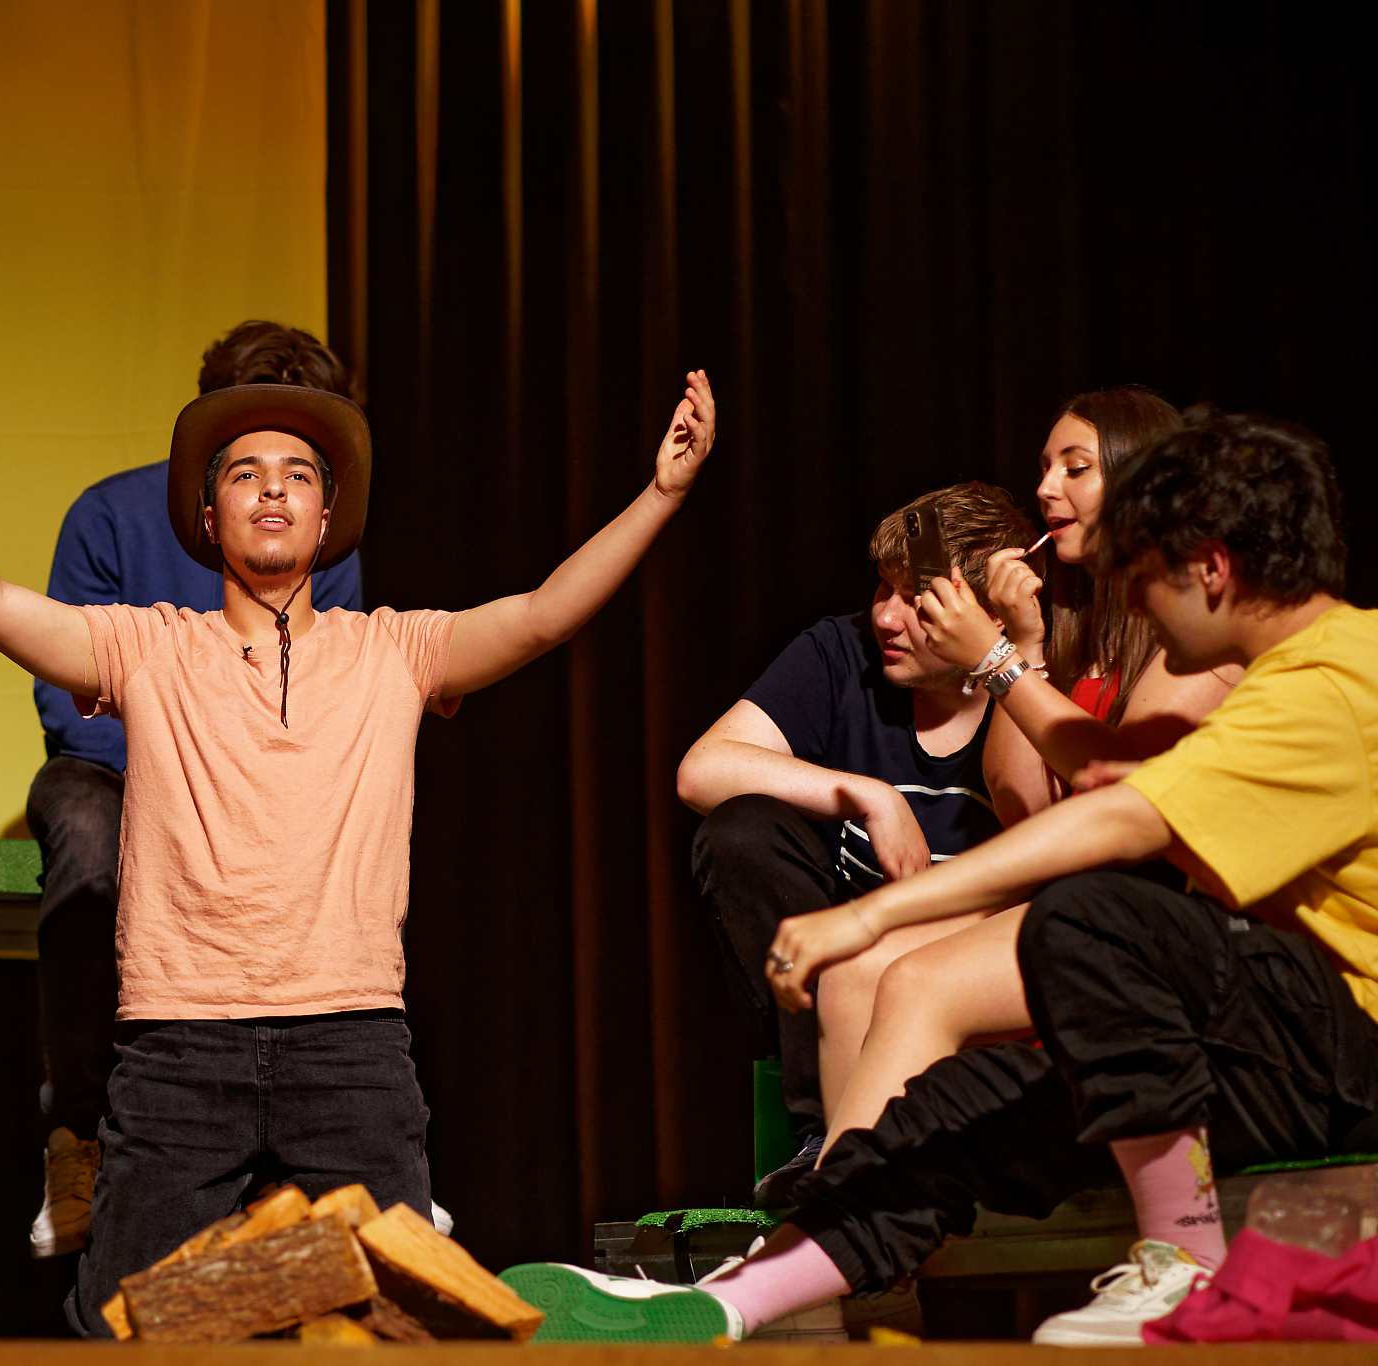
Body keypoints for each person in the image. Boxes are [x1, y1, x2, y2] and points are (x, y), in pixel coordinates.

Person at [0, 356, 716, 1335]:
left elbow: (542, 616)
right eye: (245, 474)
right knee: (118, 1329)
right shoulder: (149, 645)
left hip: (351, 1047)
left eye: (296, 475)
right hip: (177, 1049)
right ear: (209, 520)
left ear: (326, 519)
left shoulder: (395, 648)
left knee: (403, 1322)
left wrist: (661, 494)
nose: (273, 490)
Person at [513, 408, 1378, 1346]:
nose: (1133, 599)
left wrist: (870, 915)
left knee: (1089, 914)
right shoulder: (1284, 676)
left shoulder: (1340, 679)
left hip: (1343, 1047)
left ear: (1211, 568)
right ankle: (744, 1300)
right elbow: (1091, 776)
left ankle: (1186, 1263)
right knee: (955, 1114)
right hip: (1247, 1044)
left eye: (1145, 576)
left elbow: (1115, 819)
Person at [812, 387, 1242, 1154]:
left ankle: (851, 1212)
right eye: (1045, 467)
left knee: (913, 981)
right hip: (1071, 900)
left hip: (1154, 920)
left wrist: (996, 661)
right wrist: (1025, 645)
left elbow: (1114, 799)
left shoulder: (1195, 639)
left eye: (1075, 469)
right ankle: (857, 1209)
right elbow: (1020, 802)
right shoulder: (1076, 628)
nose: (1046, 488)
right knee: (848, 977)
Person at [25, 320, 366, 1259]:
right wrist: (185, 776)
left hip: (268, 773)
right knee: (86, 829)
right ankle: (80, 1138)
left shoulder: (325, 537)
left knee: (358, 825)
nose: (275, 487)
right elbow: (67, 694)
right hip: (119, 766)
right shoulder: (110, 512)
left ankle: (332, 1149)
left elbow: (334, 688)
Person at [675, 482, 1035, 1203]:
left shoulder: (1040, 681)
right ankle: (824, 1129)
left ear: (986, 614)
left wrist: (1016, 664)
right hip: (840, 981)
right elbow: (701, 771)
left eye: (917, 600)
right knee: (740, 831)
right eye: (882, 589)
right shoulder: (843, 653)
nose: (886, 617)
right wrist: (869, 794)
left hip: (972, 981)